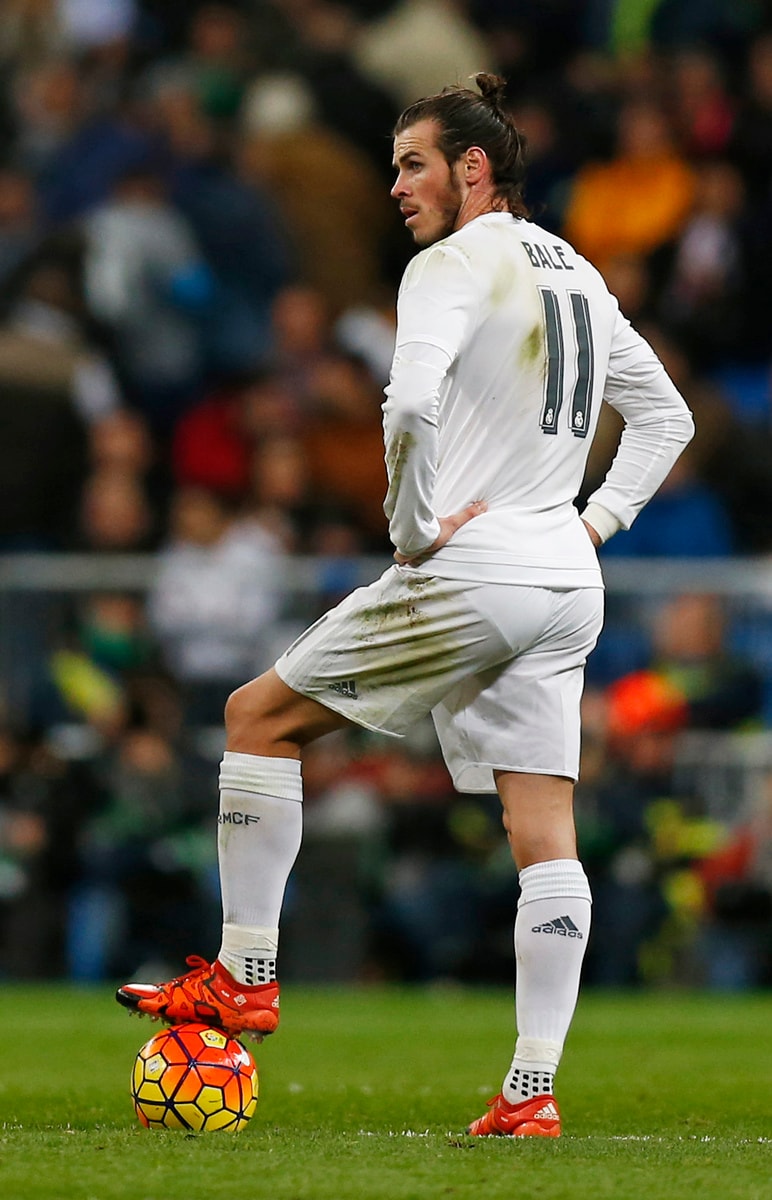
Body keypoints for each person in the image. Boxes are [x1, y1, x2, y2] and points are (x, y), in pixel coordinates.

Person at [116, 74, 694, 1138]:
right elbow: (666, 418)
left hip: (476, 568)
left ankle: (245, 978)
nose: (394, 186)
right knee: (545, 835)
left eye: (412, 163)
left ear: (473, 168)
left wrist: (415, 527)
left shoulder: (450, 265)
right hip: (564, 582)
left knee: (256, 719)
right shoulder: (575, 269)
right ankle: (531, 1090)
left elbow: (410, 402)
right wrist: (595, 525)